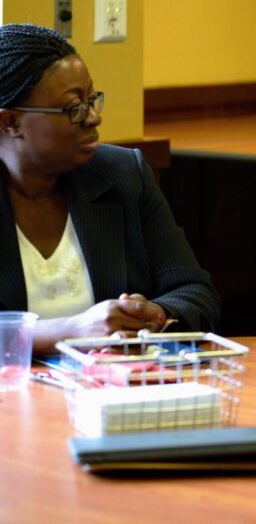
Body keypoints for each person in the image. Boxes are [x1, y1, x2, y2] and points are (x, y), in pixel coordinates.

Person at [0, 23, 219, 352]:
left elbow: (196, 293)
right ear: (11, 122)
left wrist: (149, 317)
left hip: (114, 381)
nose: (93, 117)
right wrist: (72, 331)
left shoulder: (123, 175)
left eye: (92, 100)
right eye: (74, 108)